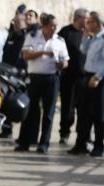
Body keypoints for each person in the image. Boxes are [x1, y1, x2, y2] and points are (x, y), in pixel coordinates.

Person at [15, 14, 69, 153]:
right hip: (34, 78)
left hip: (51, 79)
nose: (54, 28)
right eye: (52, 25)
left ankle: (43, 144)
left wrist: (62, 64)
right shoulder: (32, 36)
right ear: (44, 26)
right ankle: (25, 142)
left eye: (56, 25)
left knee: (49, 113)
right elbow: (26, 55)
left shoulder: (59, 40)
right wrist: (43, 52)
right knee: (30, 112)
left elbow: (65, 61)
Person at [69, 12, 104, 156]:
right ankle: (81, 144)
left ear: (96, 23)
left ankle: (98, 145)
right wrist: (85, 36)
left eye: (89, 22)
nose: (86, 24)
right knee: (84, 112)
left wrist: (97, 77)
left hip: (98, 79)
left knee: (98, 114)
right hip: (87, 76)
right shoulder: (92, 37)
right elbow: (82, 49)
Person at [58, 9, 88, 145]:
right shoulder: (65, 32)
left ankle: (82, 136)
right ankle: (64, 132)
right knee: (67, 107)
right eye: (86, 19)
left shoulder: (88, 34)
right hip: (68, 77)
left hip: (84, 77)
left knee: (83, 108)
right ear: (79, 18)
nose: (87, 22)